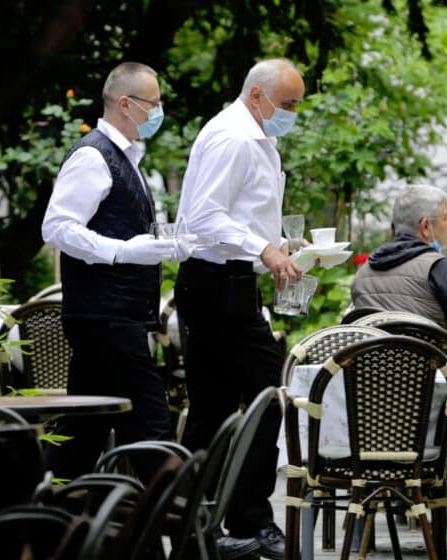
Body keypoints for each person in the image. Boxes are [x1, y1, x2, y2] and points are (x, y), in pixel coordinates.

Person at [173, 58, 305, 560]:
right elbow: (204, 215)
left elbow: (241, 213)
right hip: (215, 283)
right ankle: (244, 518)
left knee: (213, 408)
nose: (292, 114)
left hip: (226, 283)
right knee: (265, 396)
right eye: (288, 104)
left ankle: (195, 518)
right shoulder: (233, 137)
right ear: (257, 96)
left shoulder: (253, 136)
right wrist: (263, 249)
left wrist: (274, 246)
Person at [41, 62, 186, 481]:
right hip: (106, 319)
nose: (158, 112)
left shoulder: (126, 157)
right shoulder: (93, 155)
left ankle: (47, 523)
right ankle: (179, 531)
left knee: (83, 431)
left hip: (109, 318)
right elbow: (58, 227)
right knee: (151, 429)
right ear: (126, 103)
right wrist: (123, 252)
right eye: (153, 104)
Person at [351, 184, 447, 334]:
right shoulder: (439, 268)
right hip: (433, 356)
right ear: (426, 226)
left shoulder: (362, 274)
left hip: (373, 357)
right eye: (445, 218)